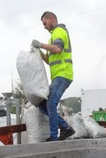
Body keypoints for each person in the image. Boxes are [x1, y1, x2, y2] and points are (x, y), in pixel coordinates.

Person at [31, 11, 75, 141]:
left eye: (45, 23)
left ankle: (54, 137)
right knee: (43, 106)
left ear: (51, 19)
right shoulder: (52, 37)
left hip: (63, 74)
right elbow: (50, 61)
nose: (44, 26)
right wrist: (39, 52)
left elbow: (57, 49)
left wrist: (41, 45)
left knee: (51, 104)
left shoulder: (59, 31)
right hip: (57, 76)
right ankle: (65, 127)